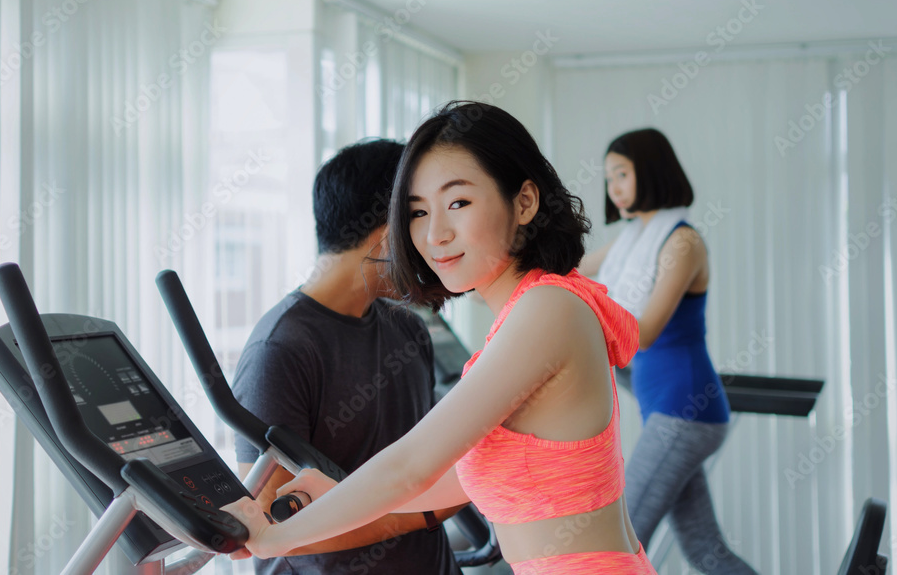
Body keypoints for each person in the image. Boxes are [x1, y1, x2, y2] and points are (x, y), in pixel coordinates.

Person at [224, 101, 658, 575]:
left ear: (525, 202)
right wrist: (334, 492)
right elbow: (446, 480)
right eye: (417, 212)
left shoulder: (546, 309)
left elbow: (409, 467)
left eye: (458, 203)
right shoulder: (526, 312)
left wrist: (274, 538)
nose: (434, 234)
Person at [231, 139, 463, 575]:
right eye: (420, 219)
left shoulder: (408, 328)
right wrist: (433, 509)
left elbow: (432, 463)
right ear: (388, 233)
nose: (434, 245)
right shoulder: (280, 350)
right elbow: (274, 526)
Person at [577, 128, 757, 574]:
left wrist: (575, 337)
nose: (613, 187)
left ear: (651, 171)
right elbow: (569, 273)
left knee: (619, 543)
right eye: (607, 178)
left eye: (622, 173)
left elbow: (645, 332)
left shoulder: (682, 242)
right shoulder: (631, 242)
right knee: (706, 551)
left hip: (686, 414)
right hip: (671, 414)